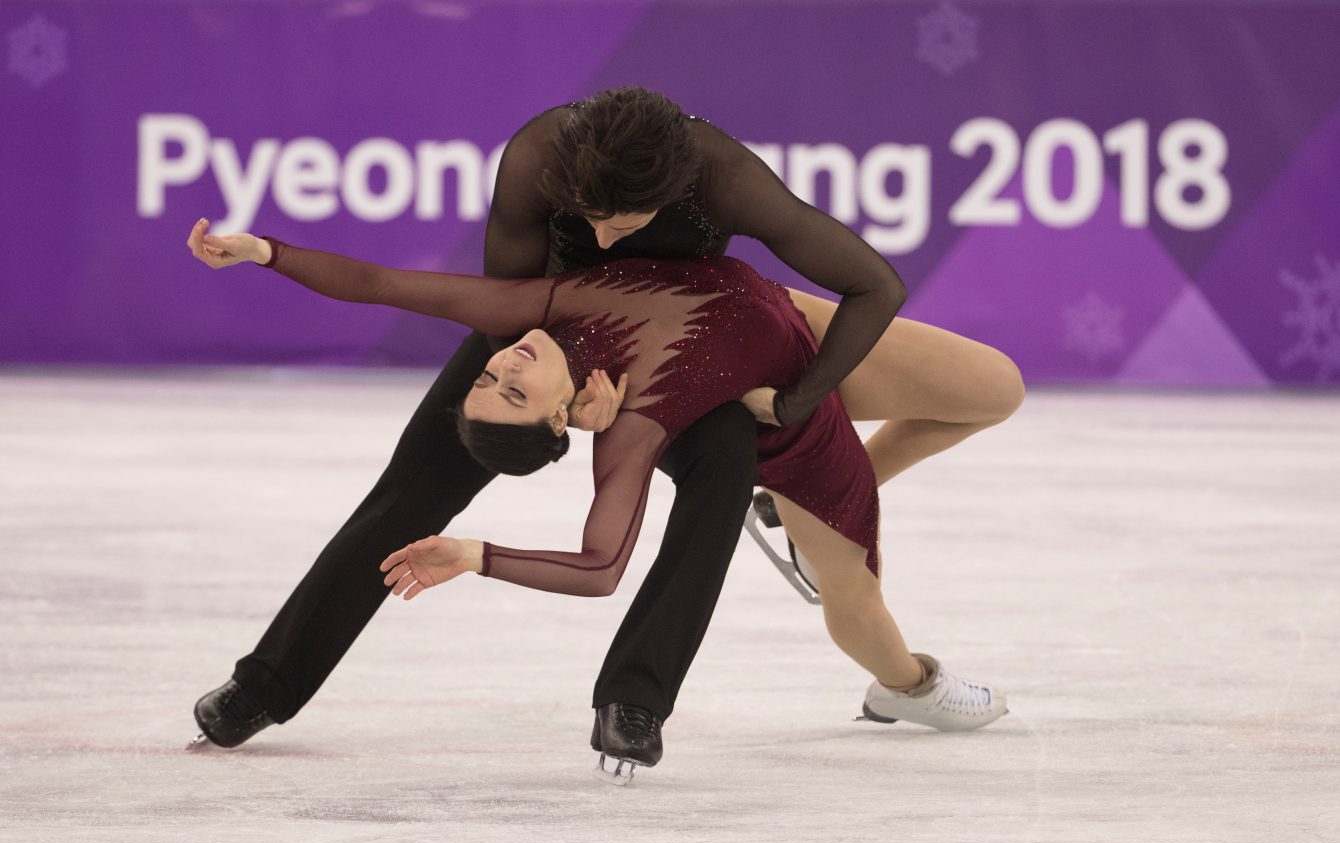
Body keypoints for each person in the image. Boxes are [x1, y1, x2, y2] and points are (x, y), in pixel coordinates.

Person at [186, 220, 1023, 780]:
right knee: (407, 496)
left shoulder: (678, 167)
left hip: (751, 337)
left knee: (976, 394)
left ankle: (638, 693)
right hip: (591, 353)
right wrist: (270, 254)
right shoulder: (518, 324)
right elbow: (382, 283)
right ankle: (265, 684)